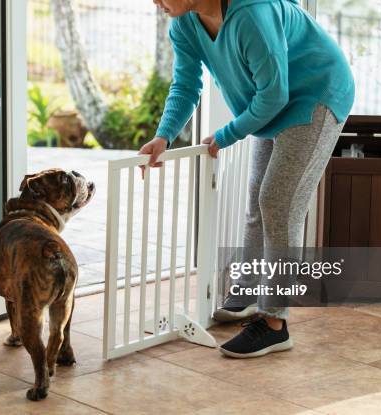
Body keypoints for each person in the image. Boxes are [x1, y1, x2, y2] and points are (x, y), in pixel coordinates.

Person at [139, 0, 355, 358]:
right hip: (270, 102)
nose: (155, 2)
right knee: (259, 201)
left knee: (279, 203)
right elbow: (186, 85)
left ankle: (274, 323)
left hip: (315, 94)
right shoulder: (184, 23)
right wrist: (164, 135)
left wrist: (227, 134)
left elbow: (275, 93)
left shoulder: (252, 13)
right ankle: (248, 291)